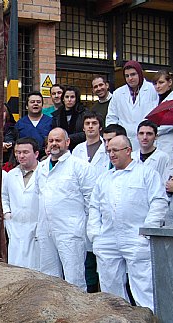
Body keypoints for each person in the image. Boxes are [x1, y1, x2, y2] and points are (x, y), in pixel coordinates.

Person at [88, 135, 168, 310]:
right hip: (108, 237)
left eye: (115, 150)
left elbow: (159, 202)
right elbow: (94, 207)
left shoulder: (146, 173)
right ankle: (118, 321)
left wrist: (147, 232)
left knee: (144, 286)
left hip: (136, 237)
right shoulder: (104, 178)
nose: (111, 154)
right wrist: (96, 235)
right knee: (110, 287)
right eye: (109, 151)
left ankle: (150, 322)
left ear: (128, 150)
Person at [34, 128, 94, 290]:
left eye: (58, 140)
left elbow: (90, 199)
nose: (54, 144)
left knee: (74, 277)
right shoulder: (41, 167)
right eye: (51, 141)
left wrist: (84, 225)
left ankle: (78, 307)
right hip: (46, 229)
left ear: (67, 142)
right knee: (48, 276)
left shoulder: (79, 166)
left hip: (70, 230)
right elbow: (39, 195)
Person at [71, 111, 110, 293]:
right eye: (87, 124)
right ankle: (91, 289)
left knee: (103, 252)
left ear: (100, 127)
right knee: (85, 253)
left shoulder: (107, 149)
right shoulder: (77, 150)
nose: (91, 127)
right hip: (82, 204)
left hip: (103, 202)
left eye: (94, 123)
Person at [2, 137, 40, 270]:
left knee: (38, 269)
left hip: (37, 227)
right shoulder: (11, 175)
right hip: (15, 226)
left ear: (36, 154)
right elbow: (4, 196)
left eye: (25, 152)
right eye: (18, 152)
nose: (21, 156)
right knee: (16, 268)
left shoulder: (44, 173)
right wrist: (6, 213)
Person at [106, 60, 158, 143]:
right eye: (127, 76)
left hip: (146, 139)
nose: (130, 78)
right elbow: (112, 118)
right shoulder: (118, 93)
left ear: (140, 74)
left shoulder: (153, 90)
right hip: (124, 140)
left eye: (133, 74)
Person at [152, 70, 173, 172]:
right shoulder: (154, 102)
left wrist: (154, 130)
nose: (158, 86)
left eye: (161, 82)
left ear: (170, 82)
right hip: (155, 146)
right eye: (155, 84)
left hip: (170, 146)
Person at [51, 86, 89, 151]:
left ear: (76, 99)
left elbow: (87, 132)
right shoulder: (57, 115)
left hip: (80, 148)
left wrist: (68, 138)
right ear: (63, 99)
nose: (69, 100)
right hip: (61, 149)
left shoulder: (84, 113)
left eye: (72, 97)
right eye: (67, 97)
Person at [16, 91, 52, 157]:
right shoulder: (20, 124)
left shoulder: (51, 122)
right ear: (27, 106)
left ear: (42, 105)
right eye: (32, 102)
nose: (35, 104)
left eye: (38, 102)